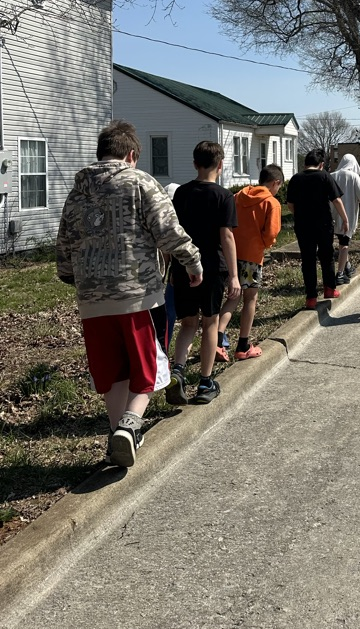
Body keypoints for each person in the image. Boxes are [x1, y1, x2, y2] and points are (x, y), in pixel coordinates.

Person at [56, 120, 203, 468]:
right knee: (148, 365)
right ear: (132, 155)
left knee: (113, 371)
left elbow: (65, 240)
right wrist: (192, 262)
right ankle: (130, 424)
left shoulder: (77, 191)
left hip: (91, 297)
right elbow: (167, 230)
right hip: (137, 293)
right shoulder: (141, 183)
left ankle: (117, 437)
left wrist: (69, 274)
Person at [168, 141, 242, 405]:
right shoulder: (223, 196)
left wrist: (171, 267)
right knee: (210, 323)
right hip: (211, 266)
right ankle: (205, 382)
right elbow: (227, 237)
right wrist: (234, 275)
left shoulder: (181, 194)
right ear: (220, 165)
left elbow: (173, 233)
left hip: (183, 265)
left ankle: (177, 370)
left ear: (195, 164)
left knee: (188, 323)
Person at [216, 164, 284, 361]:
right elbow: (271, 234)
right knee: (250, 300)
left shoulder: (238, 196)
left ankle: (217, 340)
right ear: (275, 183)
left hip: (232, 253)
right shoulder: (272, 203)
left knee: (232, 297)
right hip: (252, 257)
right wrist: (265, 244)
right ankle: (243, 345)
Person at [286, 149, 349, 309]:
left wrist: (300, 214)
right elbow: (336, 200)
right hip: (324, 223)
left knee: (308, 259)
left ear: (305, 163)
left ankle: (311, 298)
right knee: (326, 255)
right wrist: (344, 218)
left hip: (303, 225)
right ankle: (329, 289)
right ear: (321, 164)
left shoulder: (295, 179)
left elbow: (290, 204)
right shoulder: (324, 176)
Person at [330, 153, 360, 284]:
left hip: (333, 214)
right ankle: (340, 273)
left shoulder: (332, 176)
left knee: (341, 241)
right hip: (349, 215)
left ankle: (347, 266)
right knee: (344, 244)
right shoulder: (353, 177)